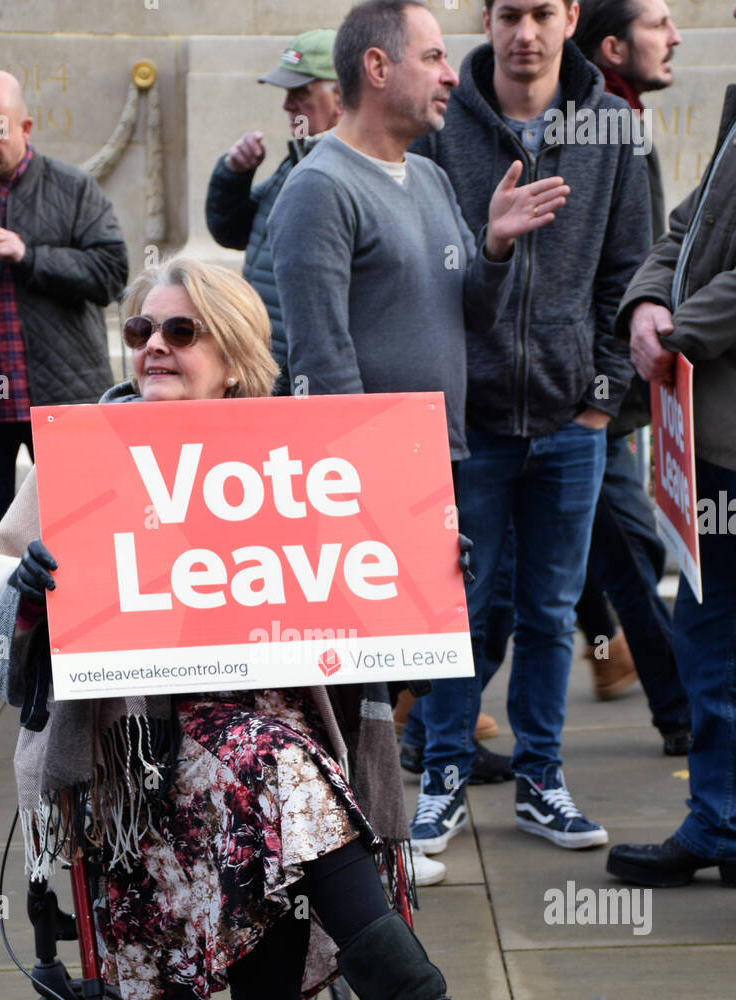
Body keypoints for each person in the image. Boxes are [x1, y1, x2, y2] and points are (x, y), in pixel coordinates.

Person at [0, 254, 504, 1000]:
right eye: (139, 331)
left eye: (179, 332)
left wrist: (422, 574)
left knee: (272, 787)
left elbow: (375, 652)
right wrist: (27, 593)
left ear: (232, 351)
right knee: (274, 780)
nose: (154, 348)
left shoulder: (297, 461)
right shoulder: (79, 454)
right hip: (136, 783)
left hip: (275, 785)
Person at [268, 1, 570, 860]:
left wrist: (495, 251)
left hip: (441, 462)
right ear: (375, 68)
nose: (451, 74)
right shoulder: (319, 189)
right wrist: (374, 499)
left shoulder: (431, 177)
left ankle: (377, 843)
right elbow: (323, 367)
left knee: (401, 672)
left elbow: (462, 313)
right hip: (367, 486)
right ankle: (347, 857)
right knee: (358, 679)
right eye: (434, 57)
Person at [408, 0, 651, 855]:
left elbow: (632, 266)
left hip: (569, 420)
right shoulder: (444, 117)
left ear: (571, 16)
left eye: (543, 12)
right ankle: (439, 776)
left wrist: (599, 393)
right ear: (486, 16)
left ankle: (542, 779)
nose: (525, 32)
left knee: (551, 612)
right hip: (467, 423)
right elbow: (422, 261)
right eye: (509, 12)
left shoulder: (614, 125)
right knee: (455, 610)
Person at [0, 69, 128, 692]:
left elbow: (112, 271)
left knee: (73, 528)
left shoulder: (74, 189)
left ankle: (76, 644)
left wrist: (33, 256)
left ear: (24, 126)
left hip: (61, 397)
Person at [606, 71, 736, 888]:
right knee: (707, 638)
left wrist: (681, 327)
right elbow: (687, 230)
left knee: (713, 639)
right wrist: (649, 303)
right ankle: (721, 819)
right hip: (713, 454)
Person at [573, 0, 691, 754]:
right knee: (631, 553)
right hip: (594, 396)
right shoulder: (604, 127)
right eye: (658, 23)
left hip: (601, 395)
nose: (674, 35)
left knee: (607, 548)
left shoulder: (616, 120)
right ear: (614, 46)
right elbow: (619, 276)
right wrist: (604, 393)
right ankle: (686, 715)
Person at [205, 29, 341, 393]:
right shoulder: (296, 160)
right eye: (286, 93)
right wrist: (234, 174)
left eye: (301, 93)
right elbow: (233, 231)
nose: (287, 106)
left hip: (303, 379)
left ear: (341, 95)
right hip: (268, 368)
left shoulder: (346, 170)